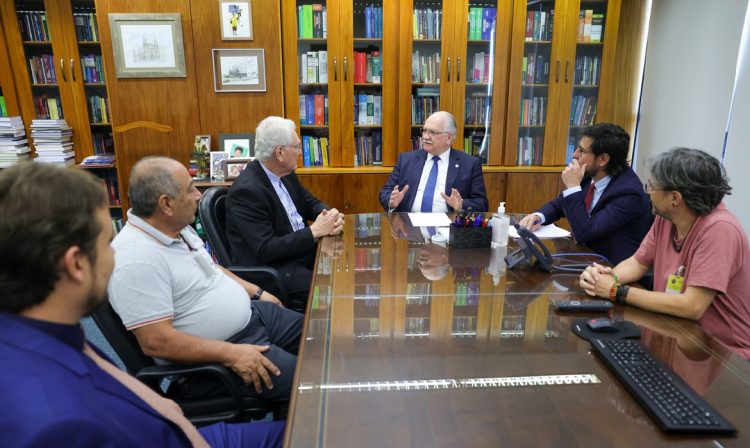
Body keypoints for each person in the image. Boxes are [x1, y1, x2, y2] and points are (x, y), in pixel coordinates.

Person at [0, 163, 284, 447]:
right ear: (76, 264)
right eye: (106, 243)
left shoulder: (49, 331)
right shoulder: (54, 425)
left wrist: (161, 409)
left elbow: (109, 379)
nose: (114, 257)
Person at [108, 156, 304, 406]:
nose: (199, 195)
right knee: (311, 383)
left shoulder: (174, 227)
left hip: (254, 316)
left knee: (323, 339)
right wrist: (231, 354)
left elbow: (212, 269)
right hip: (225, 353)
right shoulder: (136, 259)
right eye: (190, 190)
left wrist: (257, 293)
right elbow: (156, 342)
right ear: (166, 204)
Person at [580, 148, 750, 358]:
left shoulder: (720, 229)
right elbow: (638, 262)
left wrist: (616, 291)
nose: (647, 192)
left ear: (675, 198)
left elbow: (691, 306)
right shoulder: (667, 217)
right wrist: (604, 279)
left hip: (722, 355)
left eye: (651, 186)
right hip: (673, 332)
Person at [225, 116, 344, 307]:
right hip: (278, 268)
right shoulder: (247, 191)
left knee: (346, 269)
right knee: (335, 290)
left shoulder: (285, 174)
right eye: (296, 147)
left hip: (301, 253)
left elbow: (310, 203)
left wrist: (329, 214)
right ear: (279, 152)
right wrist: (314, 232)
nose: (299, 152)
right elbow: (266, 249)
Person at [518, 123, 651, 265]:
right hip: (583, 258)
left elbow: (585, 233)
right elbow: (559, 205)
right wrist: (538, 216)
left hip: (608, 269)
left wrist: (573, 187)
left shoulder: (628, 193)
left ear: (603, 159)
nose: (574, 154)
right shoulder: (590, 176)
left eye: (582, 151)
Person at [379, 111, 488, 213]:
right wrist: (391, 202)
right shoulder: (406, 160)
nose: (425, 137)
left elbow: (481, 203)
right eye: (424, 131)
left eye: (432, 132)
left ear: (449, 137)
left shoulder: (470, 164)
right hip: (408, 225)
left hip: (449, 226)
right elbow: (386, 191)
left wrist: (461, 205)